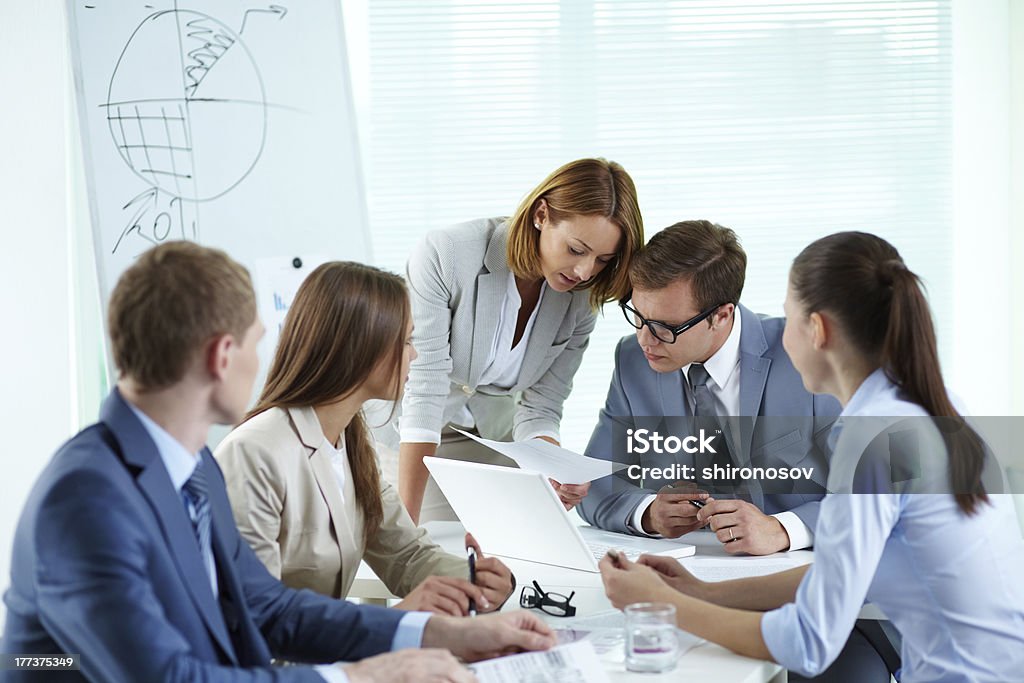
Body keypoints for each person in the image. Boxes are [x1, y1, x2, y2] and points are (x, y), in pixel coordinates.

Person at [1, 242, 554, 683]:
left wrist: (438, 635)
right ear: (223, 355)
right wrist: (361, 677)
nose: (267, 358)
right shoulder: (85, 499)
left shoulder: (192, 471)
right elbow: (166, 676)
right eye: (256, 340)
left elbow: (266, 609)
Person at [599, 231, 1024, 682]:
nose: (778, 337)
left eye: (788, 319)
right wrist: (702, 591)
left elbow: (807, 643)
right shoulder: (922, 405)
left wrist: (669, 607)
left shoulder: (873, 444)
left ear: (817, 330)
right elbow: (839, 574)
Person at [215, 261, 514, 615]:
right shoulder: (253, 452)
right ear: (362, 348)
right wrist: (398, 618)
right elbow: (254, 615)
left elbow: (406, 555)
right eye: (405, 340)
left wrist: (475, 580)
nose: (414, 355)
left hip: (330, 660)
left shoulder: (351, 443)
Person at [397, 157, 644, 523]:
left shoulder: (580, 300)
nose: (585, 272)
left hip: (492, 439)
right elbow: (425, 389)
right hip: (411, 433)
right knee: (417, 540)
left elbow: (541, 407)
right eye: (576, 250)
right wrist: (404, 526)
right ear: (541, 214)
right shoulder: (448, 253)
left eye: (603, 260)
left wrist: (555, 467)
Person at [578, 220, 840, 556]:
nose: (645, 339)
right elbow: (592, 485)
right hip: (684, 568)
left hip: (794, 571)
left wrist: (784, 529)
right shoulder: (632, 359)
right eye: (638, 316)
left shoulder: (807, 353)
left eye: (664, 327)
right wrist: (648, 514)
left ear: (721, 315)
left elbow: (878, 490)